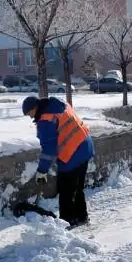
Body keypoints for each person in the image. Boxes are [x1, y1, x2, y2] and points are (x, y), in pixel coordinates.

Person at [23, 95, 94, 229]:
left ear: (35, 108)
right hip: (86, 145)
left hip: (73, 153)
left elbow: (49, 149)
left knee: (66, 189)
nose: (31, 117)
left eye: (29, 113)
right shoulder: (59, 104)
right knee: (78, 187)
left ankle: (67, 222)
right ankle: (81, 216)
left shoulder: (45, 120)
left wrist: (42, 171)